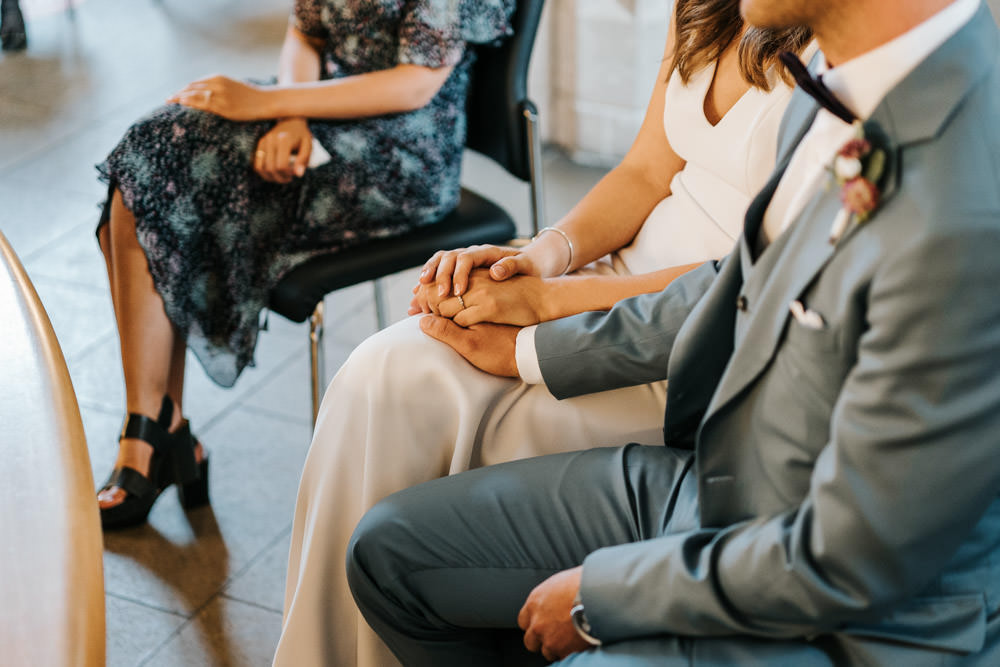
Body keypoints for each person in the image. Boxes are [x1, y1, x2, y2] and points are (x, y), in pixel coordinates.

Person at [346, 0, 1000, 665]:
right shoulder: (837, 82)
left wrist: (606, 594)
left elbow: (846, 560)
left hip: (848, 619)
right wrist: (531, 345)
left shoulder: (968, 205)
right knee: (385, 553)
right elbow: (739, 281)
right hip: (723, 490)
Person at [276, 2, 813, 665]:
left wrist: (551, 305)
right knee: (383, 368)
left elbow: (742, 281)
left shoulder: (838, 48)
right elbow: (648, 171)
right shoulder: (703, 7)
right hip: (613, 274)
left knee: (421, 393)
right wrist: (542, 256)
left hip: (693, 346)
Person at [94, 0, 516, 530]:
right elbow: (306, 32)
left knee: (155, 164)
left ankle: (153, 440)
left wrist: (269, 100)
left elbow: (414, 84)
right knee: (145, 155)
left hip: (400, 157)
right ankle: (155, 425)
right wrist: (289, 116)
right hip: (318, 111)